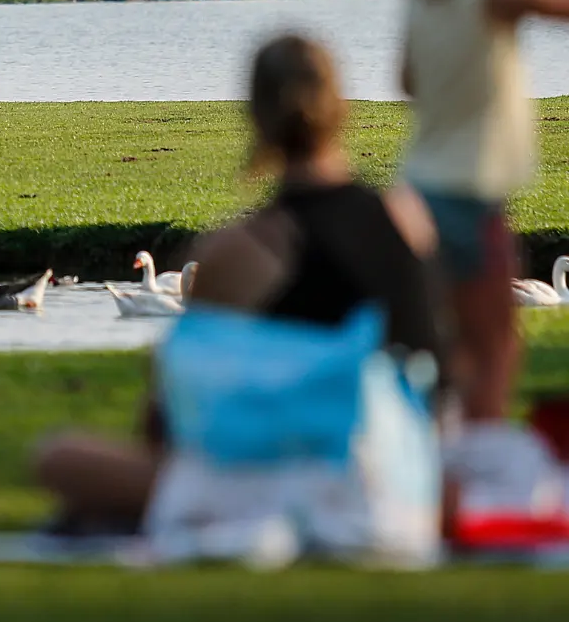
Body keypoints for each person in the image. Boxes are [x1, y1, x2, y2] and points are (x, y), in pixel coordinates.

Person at [34, 35, 444, 534]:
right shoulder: (409, 219)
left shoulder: (241, 249)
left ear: (256, 116)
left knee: (58, 457)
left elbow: (169, 419)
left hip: (304, 486)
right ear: (341, 107)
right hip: (410, 483)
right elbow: (439, 367)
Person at [401, 0, 569, 425]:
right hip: (470, 196)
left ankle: (436, 463)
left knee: (442, 351)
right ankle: (476, 474)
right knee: (497, 348)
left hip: (417, 189)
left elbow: (407, 81)